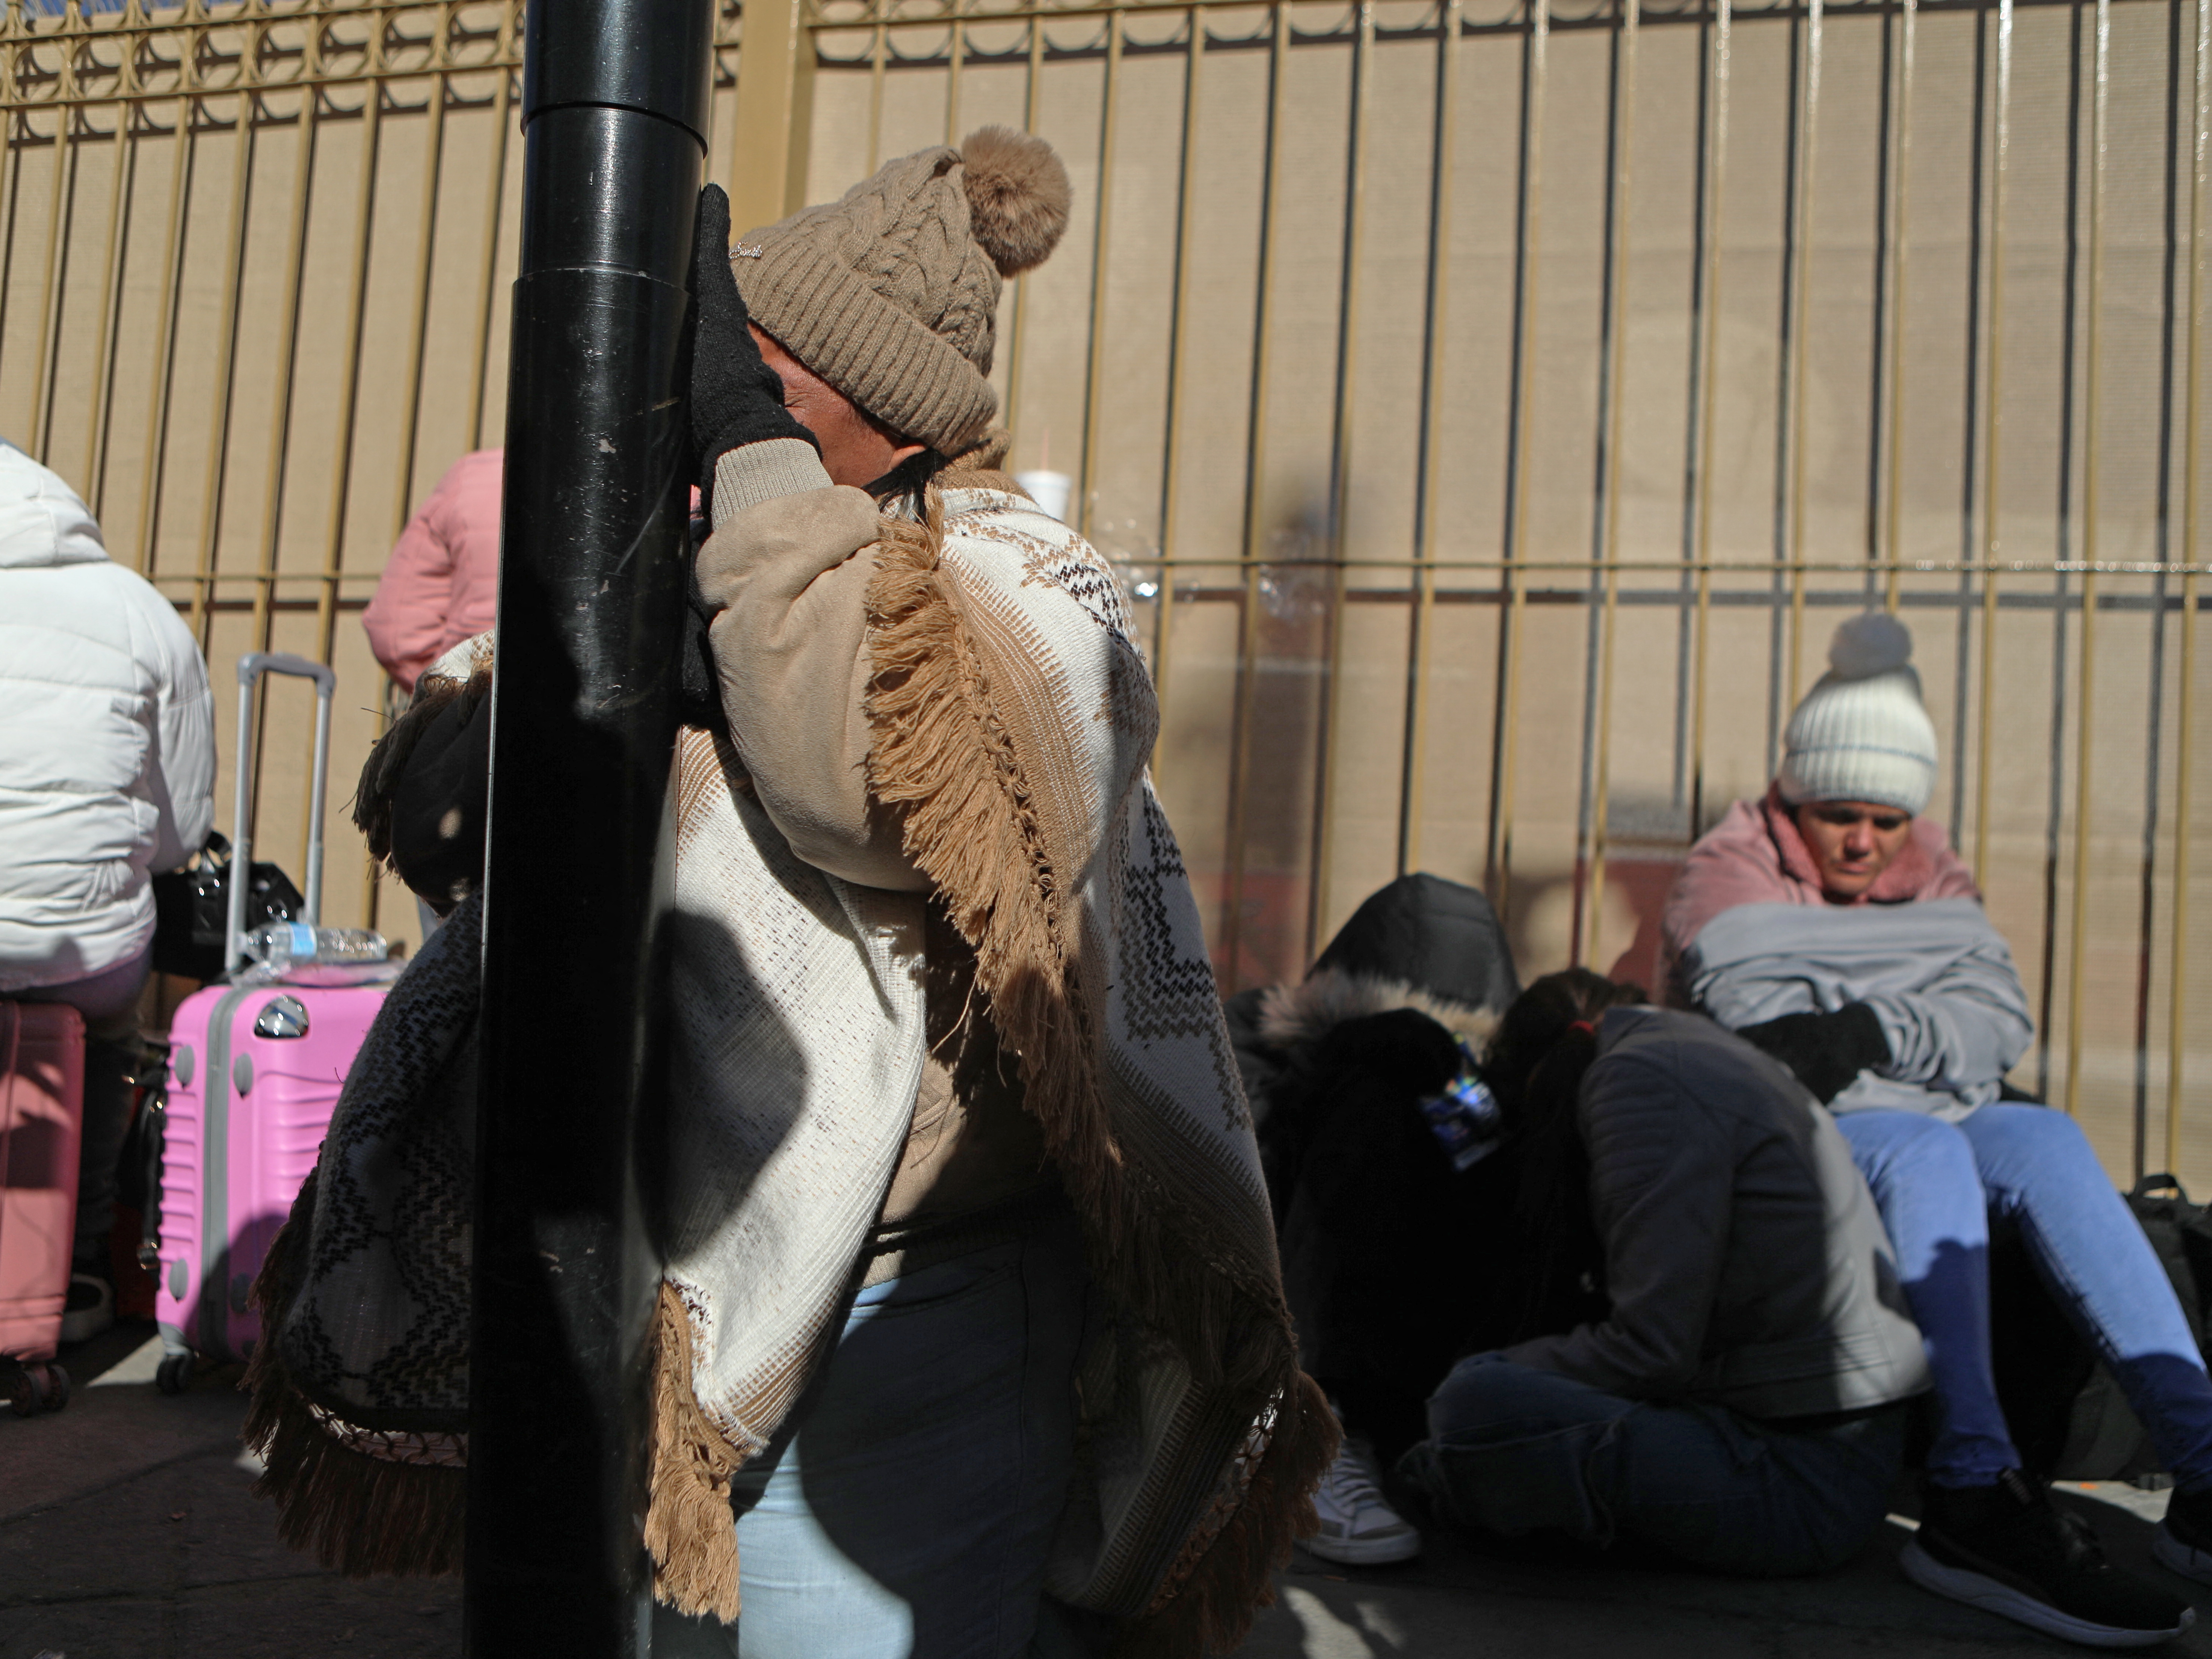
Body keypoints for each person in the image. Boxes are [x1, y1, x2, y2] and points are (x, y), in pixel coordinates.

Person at [247, 128, 1333, 1658]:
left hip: (913, 1307)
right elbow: (438, 819)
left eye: (751, 369)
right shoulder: (709, 562)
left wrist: (751, 463)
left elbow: (859, 785)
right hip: (663, 1272)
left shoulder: (1015, 575)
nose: (707, 393)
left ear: (872, 416)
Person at [1665, 610, 2212, 1646]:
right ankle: (1969, 1487)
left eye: (1884, 819)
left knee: (2044, 1136)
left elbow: (1998, 1017)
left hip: (1919, 1110)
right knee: (1927, 1150)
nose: (1864, 842)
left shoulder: (1932, 864)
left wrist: (1868, 1018)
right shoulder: (1722, 868)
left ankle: (2205, 1468)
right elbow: (1774, 1041)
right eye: (1837, 816)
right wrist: (1922, 1015)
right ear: (1792, 795)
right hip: (1783, 1132)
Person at [1398, 969, 1936, 1580]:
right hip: (1810, 1447)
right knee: (1492, 1396)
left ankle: (1451, 1474)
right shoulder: (1691, 1048)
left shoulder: (1643, 1083)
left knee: (1473, 1398)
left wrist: (1488, 1375)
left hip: (1801, 1479)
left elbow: (1653, 1350)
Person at [1228, 872, 1525, 1566]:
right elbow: (1224, 1174)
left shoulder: (1467, 1083)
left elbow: (1496, 1188)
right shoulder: (1255, 1037)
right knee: (1377, 1103)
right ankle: (1312, 1431)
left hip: (1421, 1353)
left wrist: (1456, 1091)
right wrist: (1331, 1070)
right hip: (1276, 1343)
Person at [0, 439, 214, 1341]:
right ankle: (79, 1265)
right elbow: (183, 830)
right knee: (106, 1036)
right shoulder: (139, 609)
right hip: (84, 947)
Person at [360, 448, 502, 695]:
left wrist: (441, 691)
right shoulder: (589, 473)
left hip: (476, 694)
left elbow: (394, 631)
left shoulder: (474, 477)